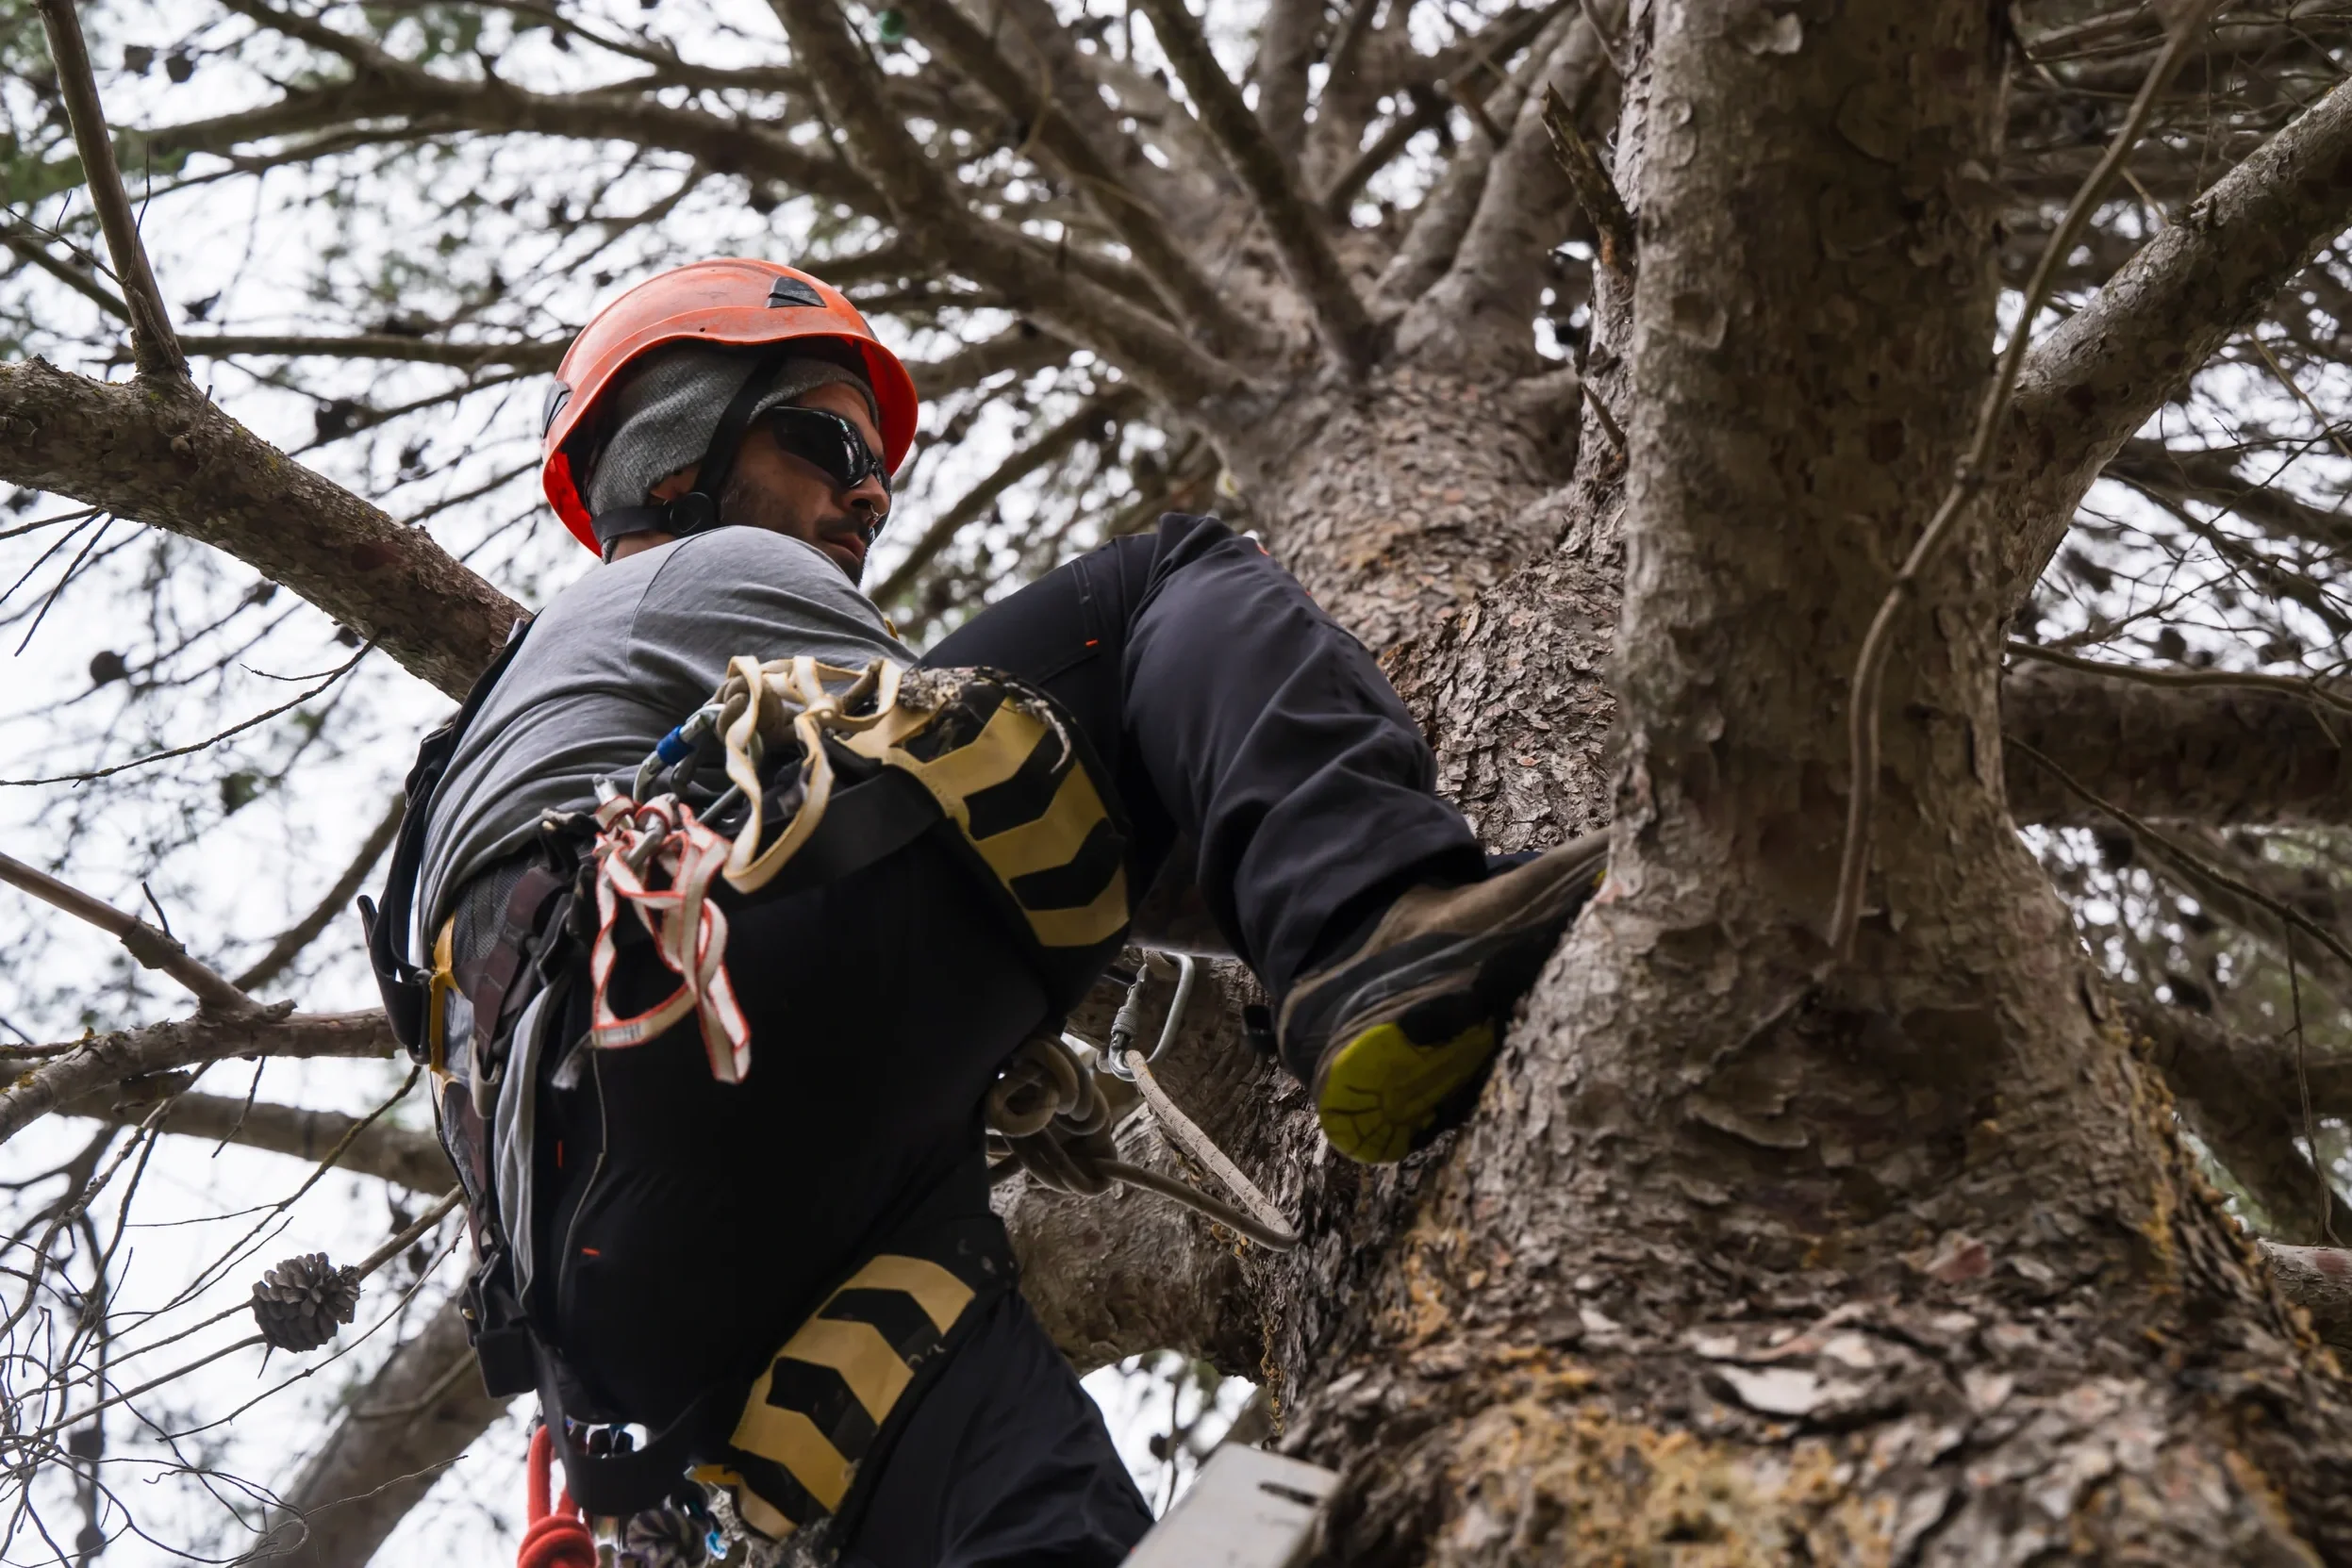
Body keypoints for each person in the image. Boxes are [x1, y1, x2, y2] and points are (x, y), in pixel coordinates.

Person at [367, 258, 1602, 1568]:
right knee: (1167, 581)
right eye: (832, 440)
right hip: (700, 985)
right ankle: (1375, 921)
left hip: (643, 1288)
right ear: (679, 440)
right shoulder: (693, 574)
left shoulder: (519, 730)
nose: (865, 492)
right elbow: (961, 758)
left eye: (877, 474)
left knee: (1017, 1477)